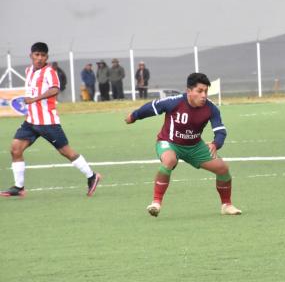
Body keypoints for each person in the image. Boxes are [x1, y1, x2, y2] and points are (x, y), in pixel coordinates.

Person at [124, 72, 242, 217]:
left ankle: (227, 205)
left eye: (205, 91)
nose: (204, 95)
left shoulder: (211, 108)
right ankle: (156, 203)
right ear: (189, 91)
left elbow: (220, 131)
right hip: (169, 142)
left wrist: (216, 144)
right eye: (199, 91)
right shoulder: (174, 102)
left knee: (223, 169)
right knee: (170, 160)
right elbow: (151, 107)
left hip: (195, 147)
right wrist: (134, 116)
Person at [1, 42, 102, 197]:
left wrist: (34, 99)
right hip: (31, 122)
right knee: (15, 149)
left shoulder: (50, 72)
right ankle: (19, 187)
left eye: (43, 55)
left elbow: (55, 89)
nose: (40, 58)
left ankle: (92, 176)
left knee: (67, 152)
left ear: (47, 57)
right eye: (37, 55)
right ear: (31, 56)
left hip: (48, 122)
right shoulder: (29, 71)